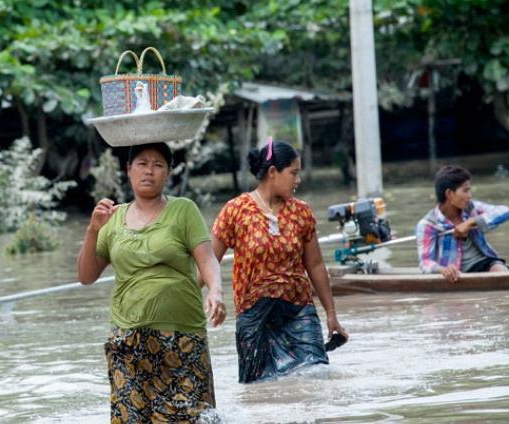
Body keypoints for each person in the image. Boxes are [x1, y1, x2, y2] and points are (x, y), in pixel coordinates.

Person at [77, 142, 226, 422]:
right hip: (128, 340)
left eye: (158, 165)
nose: (150, 171)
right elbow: (86, 277)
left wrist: (216, 291)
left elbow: (207, 259)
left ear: (168, 173)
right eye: (142, 164)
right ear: (129, 170)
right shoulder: (112, 218)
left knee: (193, 417)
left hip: (182, 338)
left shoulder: (184, 210)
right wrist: (93, 230)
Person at [210, 138, 348, 383]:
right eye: (294, 173)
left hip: (298, 311)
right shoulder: (235, 211)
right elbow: (208, 261)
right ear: (273, 172)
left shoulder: (301, 212)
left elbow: (315, 265)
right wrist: (209, 294)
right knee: (260, 391)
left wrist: (331, 313)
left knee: (317, 377)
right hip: (254, 317)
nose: (298, 180)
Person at [416, 165, 509, 282]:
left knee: (501, 273)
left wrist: (471, 222)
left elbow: (504, 211)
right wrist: (442, 270)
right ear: (449, 194)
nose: (469, 195)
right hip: (455, 273)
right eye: (465, 190)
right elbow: (425, 263)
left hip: (485, 263)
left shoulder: (471, 208)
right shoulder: (428, 224)